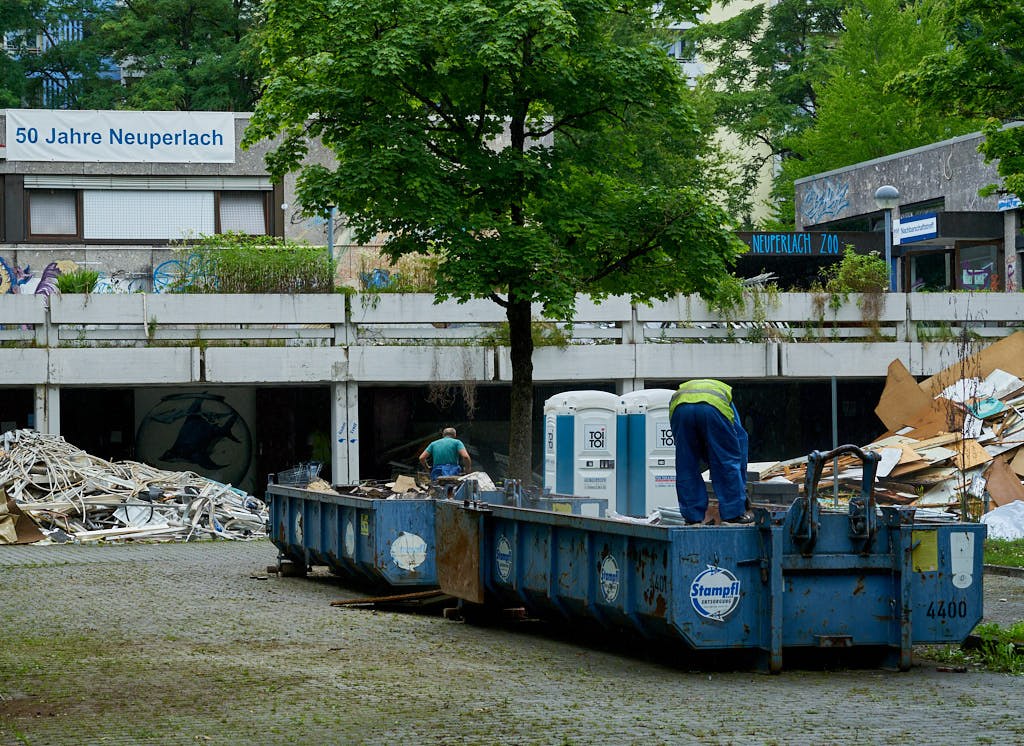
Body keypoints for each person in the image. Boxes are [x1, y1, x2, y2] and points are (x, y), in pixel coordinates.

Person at [669, 379, 753, 525]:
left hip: (680, 409)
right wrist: (741, 489)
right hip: (712, 408)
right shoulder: (725, 401)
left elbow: (688, 447)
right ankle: (732, 516)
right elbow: (738, 451)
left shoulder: (686, 393)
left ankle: (692, 517)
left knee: (686, 464)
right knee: (726, 462)